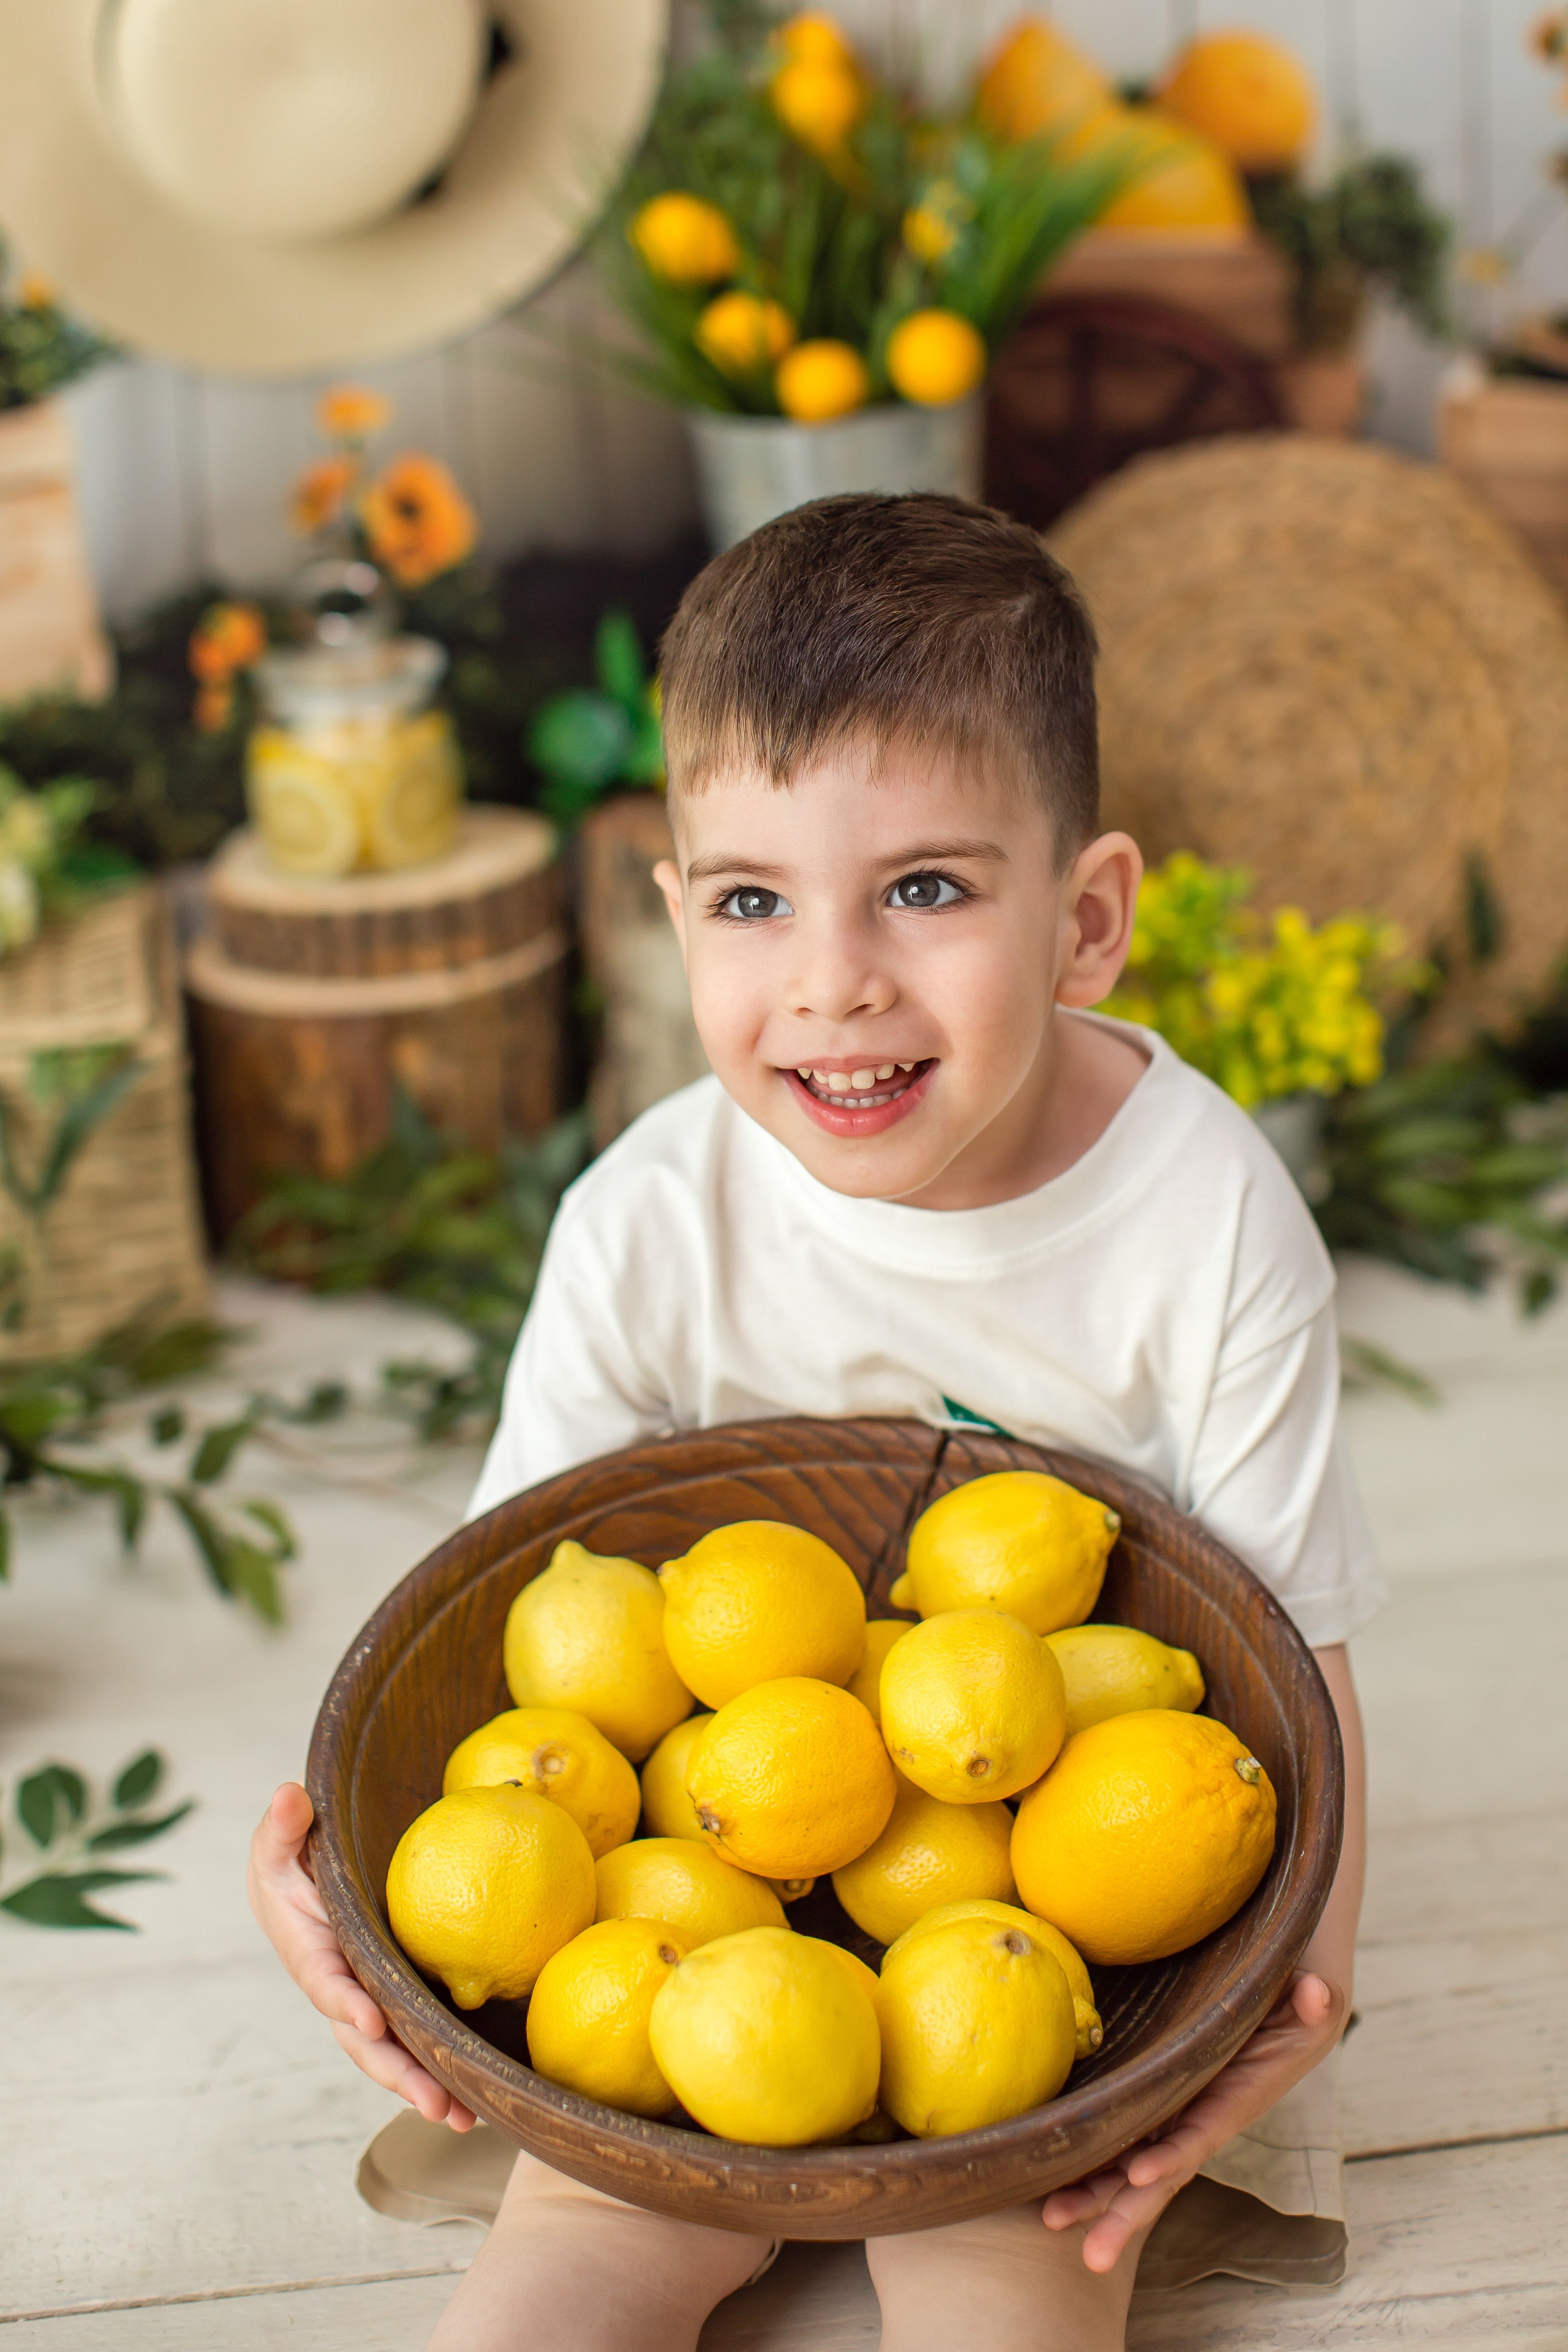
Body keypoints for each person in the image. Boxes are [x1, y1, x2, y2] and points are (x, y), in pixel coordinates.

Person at [250, 493, 1377, 2351]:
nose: (833, 980)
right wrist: (334, 1874)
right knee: (562, 2266)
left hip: (1041, 1962)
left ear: (1088, 919)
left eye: (924, 889)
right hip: (672, 1921)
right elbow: (500, 1633)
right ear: (676, 917)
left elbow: (1291, 1669)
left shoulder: (1211, 1222)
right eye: (753, 901)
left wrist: (1295, 2004)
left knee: (1010, 2278)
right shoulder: (646, 1219)